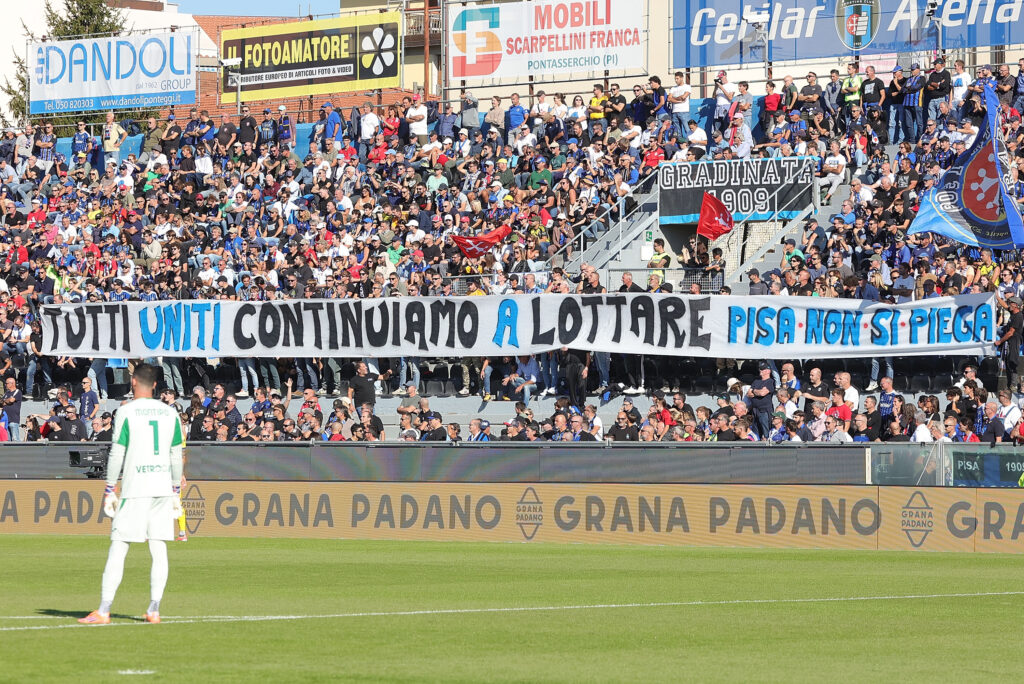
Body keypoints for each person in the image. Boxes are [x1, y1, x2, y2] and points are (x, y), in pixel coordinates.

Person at [78, 364, 185, 625]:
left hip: (137, 487)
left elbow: (117, 452)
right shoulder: (170, 414)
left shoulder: (126, 411)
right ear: (157, 385)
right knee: (159, 547)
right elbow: (175, 454)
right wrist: (174, 490)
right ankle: (154, 609)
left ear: (134, 382)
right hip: (161, 487)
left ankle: (104, 610)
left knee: (119, 546)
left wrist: (109, 487)